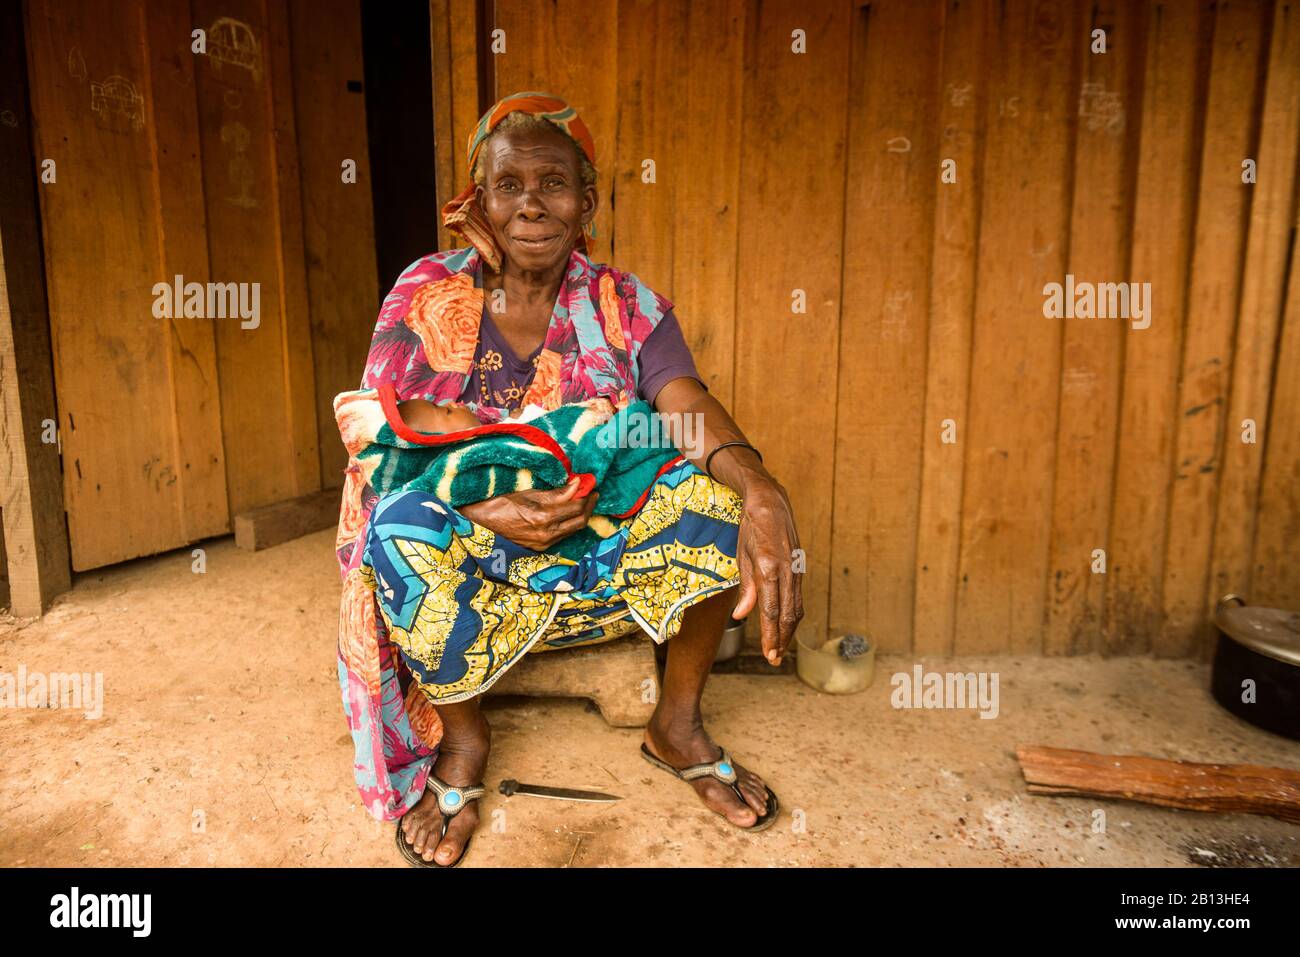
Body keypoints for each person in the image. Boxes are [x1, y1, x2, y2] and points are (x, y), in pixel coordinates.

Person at [334, 91, 804, 867]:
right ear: (479, 199)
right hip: (471, 559)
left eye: (552, 183)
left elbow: (684, 409)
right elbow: (375, 436)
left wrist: (760, 486)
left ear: (586, 201)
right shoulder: (426, 292)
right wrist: (486, 507)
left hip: (592, 558)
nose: (530, 205)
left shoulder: (626, 305)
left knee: (718, 499)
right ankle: (464, 740)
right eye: (508, 184)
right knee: (396, 521)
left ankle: (676, 723)